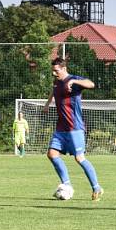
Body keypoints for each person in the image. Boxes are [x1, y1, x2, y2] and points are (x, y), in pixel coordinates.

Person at [43, 57, 104, 201]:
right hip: (61, 128)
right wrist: (47, 103)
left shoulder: (74, 80)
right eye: (52, 71)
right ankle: (67, 185)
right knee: (51, 154)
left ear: (64, 69)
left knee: (79, 158)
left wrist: (74, 81)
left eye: (56, 71)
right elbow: (54, 89)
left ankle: (96, 187)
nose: (54, 73)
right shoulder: (57, 82)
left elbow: (91, 84)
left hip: (74, 127)